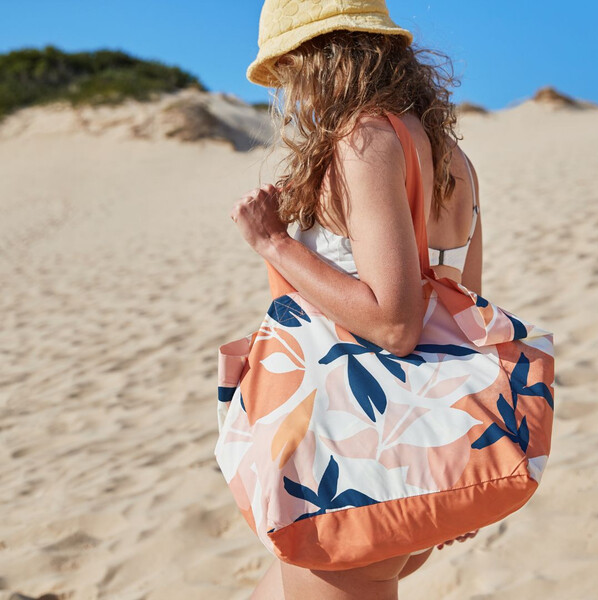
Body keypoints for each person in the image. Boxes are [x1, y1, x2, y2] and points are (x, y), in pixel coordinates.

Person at [228, 1, 482, 598]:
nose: (290, 89)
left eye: (288, 68)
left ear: (319, 57)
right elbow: (466, 307)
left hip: (349, 463)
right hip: (404, 449)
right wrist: (453, 462)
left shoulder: (363, 138)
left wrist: (273, 242)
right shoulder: (449, 154)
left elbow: (395, 324)